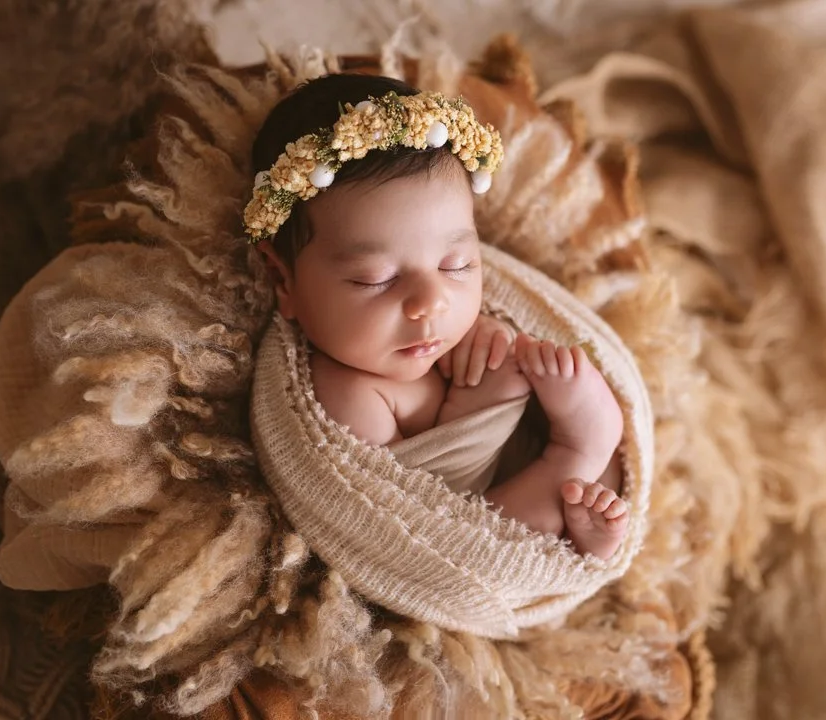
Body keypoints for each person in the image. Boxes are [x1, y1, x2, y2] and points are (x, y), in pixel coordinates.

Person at [246, 73, 628, 559]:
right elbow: (423, 525)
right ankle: (577, 452)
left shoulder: (447, 327)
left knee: (543, 379)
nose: (433, 301)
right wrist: (470, 413)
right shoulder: (347, 393)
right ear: (284, 281)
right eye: (376, 278)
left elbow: (501, 328)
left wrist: (494, 338)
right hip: (484, 530)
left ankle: (587, 490)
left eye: (458, 265)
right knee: (488, 534)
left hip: (550, 475)